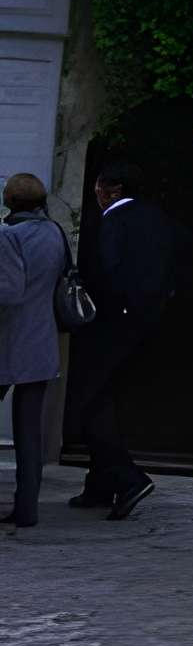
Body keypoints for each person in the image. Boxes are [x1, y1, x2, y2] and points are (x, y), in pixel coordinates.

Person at [67, 160, 175, 520]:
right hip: (147, 323)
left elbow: (107, 273)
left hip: (112, 325)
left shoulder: (113, 221)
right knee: (104, 396)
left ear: (111, 190)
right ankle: (100, 483)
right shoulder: (156, 219)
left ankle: (127, 478)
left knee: (88, 400)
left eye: (99, 187)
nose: (96, 193)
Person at [0, 172, 65, 528]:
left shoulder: (9, 236)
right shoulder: (53, 231)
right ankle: (27, 508)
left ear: (10, 202)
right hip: (41, 340)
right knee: (29, 432)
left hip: (9, 341)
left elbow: (7, 293)